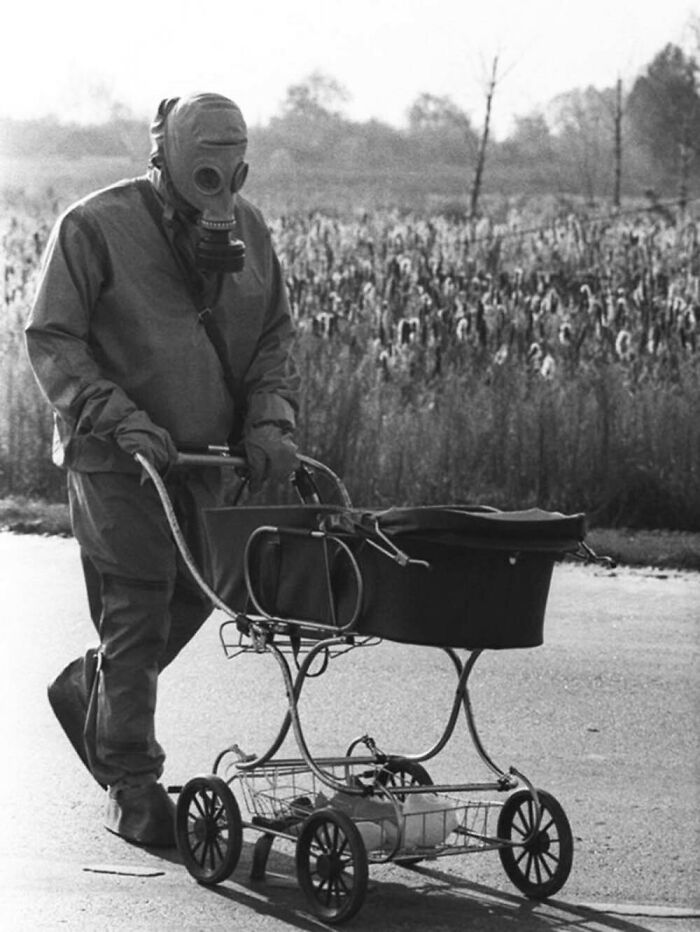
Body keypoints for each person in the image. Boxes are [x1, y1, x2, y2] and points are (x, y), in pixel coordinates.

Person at [25, 92, 300, 847]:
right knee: (139, 603)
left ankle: (97, 690)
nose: (221, 191)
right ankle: (133, 785)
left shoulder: (249, 232)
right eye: (204, 171)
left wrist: (271, 418)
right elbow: (53, 338)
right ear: (167, 163)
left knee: (199, 593)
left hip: (206, 455)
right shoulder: (94, 228)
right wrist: (116, 415)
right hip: (120, 457)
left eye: (231, 170)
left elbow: (272, 337)